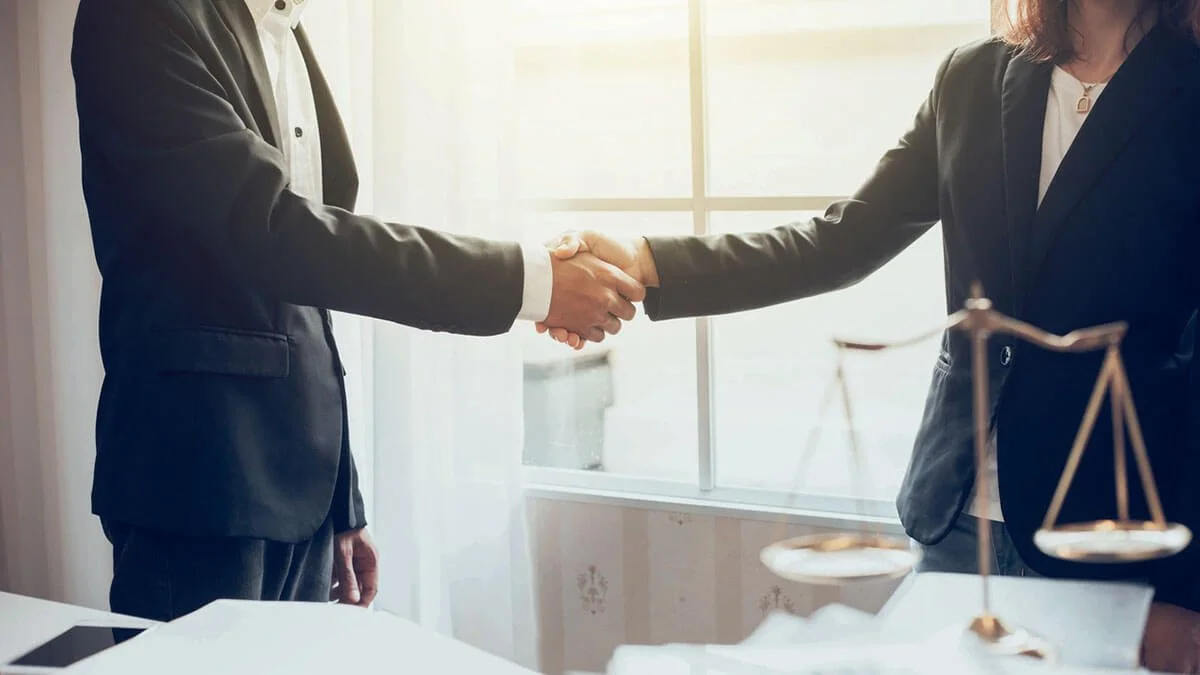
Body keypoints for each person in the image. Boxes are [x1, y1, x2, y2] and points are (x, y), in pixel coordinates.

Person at [540, 0, 1200, 669]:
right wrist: (648, 263)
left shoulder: (1188, 88)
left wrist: (1190, 589)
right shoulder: (973, 78)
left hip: (1118, 528)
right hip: (956, 517)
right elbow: (842, 240)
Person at [70, 0, 643, 622]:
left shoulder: (285, 27)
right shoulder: (140, 13)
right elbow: (271, 233)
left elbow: (307, 298)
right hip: (198, 482)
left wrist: (341, 503)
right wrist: (533, 282)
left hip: (306, 500)